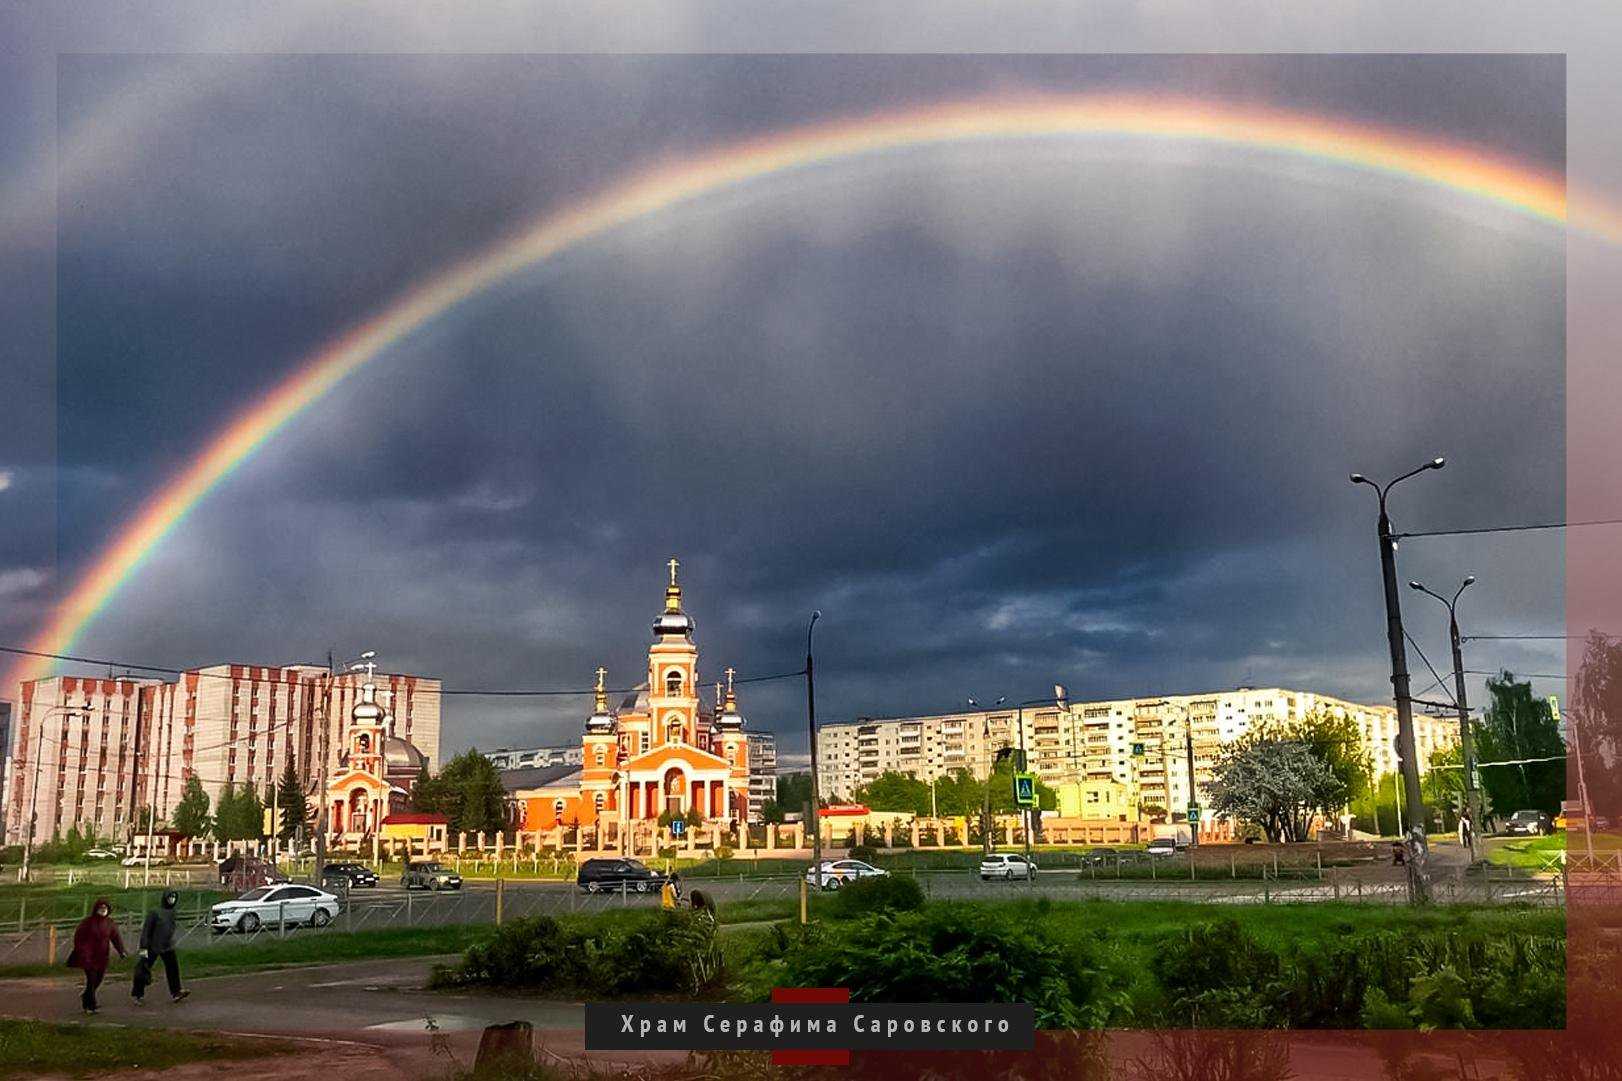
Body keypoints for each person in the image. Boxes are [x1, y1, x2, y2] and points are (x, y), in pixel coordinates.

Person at [66, 898, 126, 1014]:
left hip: (102, 957)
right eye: (101, 908)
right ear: (96, 909)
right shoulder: (88, 922)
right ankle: (89, 1006)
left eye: (105, 908)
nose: (103, 910)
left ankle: (86, 996)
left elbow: (116, 938)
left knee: (98, 979)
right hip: (88, 957)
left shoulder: (110, 924)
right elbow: (79, 937)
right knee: (91, 980)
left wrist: (121, 951)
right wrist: (82, 952)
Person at [131, 889, 188, 1005]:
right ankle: (137, 994)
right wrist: (143, 949)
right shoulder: (155, 913)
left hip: (167, 946)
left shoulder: (172, 912)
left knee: (173, 969)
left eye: (174, 897)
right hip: (152, 946)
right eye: (170, 897)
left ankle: (176, 992)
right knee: (143, 969)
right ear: (165, 898)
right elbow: (146, 931)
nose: (172, 900)